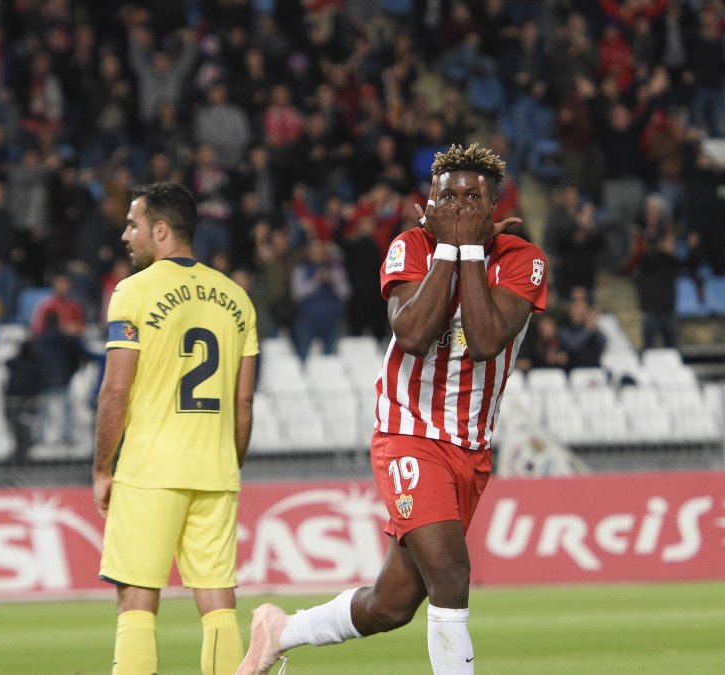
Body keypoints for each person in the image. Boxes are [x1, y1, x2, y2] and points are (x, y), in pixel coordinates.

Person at [239, 143, 547, 675]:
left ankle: (280, 630)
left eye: (473, 198)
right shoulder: (410, 246)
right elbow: (411, 334)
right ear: (428, 201)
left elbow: (487, 339)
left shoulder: (524, 260)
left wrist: (471, 252)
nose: (460, 207)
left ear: (495, 206)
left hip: (470, 447)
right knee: (451, 575)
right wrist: (453, 250)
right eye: (448, 196)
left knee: (393, 603)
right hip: (408, 433)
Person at [92, 182, 258, 675]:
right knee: (219, 604)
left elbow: (115, 391)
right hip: (215, 468)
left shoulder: (133, 292)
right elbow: (243, 402)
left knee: (137, 602)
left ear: (160, 230)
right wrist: (229, 462)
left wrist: (102, 467)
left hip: (150, 468)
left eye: (133, 225)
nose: (126, 235)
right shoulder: (238, 299)